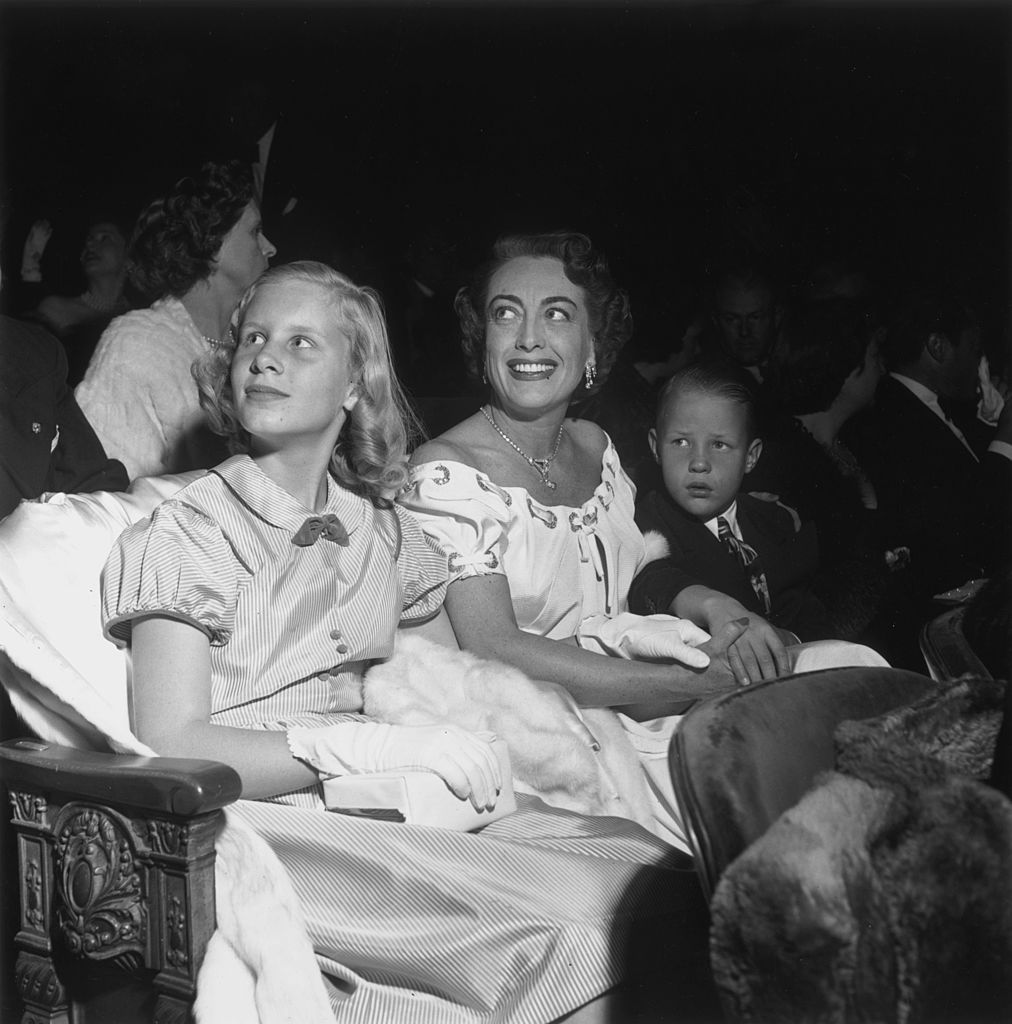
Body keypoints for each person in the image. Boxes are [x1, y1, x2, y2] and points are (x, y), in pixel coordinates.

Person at [101, 260, 702, 1023]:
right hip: (270, 826)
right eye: (255, 337)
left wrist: (615, 635)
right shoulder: (189, 531)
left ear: (355, 385)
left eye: (300, 343)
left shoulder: (382, 528)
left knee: (661, 875)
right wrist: (353, 747)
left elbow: (456, 677)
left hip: (387, 799)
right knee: (581, 937)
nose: (265, 357)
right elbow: (170, 738)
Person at [400, 230, 770, 857]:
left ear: (593, 344)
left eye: (558, 314)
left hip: (645, 692)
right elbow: (495, 647)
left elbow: (643, 570)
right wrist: (693, 684)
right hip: (549, 740)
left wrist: (711, 606)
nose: (528, 338)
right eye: (505, 313)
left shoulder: (597, 446)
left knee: (839, 672)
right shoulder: (443, 471)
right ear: (482, 341)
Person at [76, 160, 276, 480]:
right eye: (256, 232)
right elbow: (108, 494)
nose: (270, 248)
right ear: (213, 245)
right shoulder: (138, 342)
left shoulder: (258, 349)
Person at [629, 362, 832, 666]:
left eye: (720, 445)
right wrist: (712, 605)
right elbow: (654, 581)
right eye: (680, 442)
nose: (699, 463)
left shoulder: (772, 519)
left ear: (750, 457)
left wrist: (793, 641)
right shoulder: (645, 526)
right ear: (656, 447)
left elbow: (804, 608)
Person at [847, 289, 1012, 608]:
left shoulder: (933, 405)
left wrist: (991, 422)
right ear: (937, 347)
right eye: (974, 350)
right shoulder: (893, 416)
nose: (979, 363)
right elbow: (967, 521)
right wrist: (1006, 437)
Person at [27, 218, 133, 385]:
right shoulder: (55, 310)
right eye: (89, 240)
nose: (91, 245)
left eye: (105, 238)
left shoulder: (138, 316)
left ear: (128, 255)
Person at [702, 262, 784, 380]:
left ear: (776, 317)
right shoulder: (702, 378)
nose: (744, 331)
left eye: (755, 317)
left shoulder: (804, 369)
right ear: (715, 320)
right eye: (731, 319)